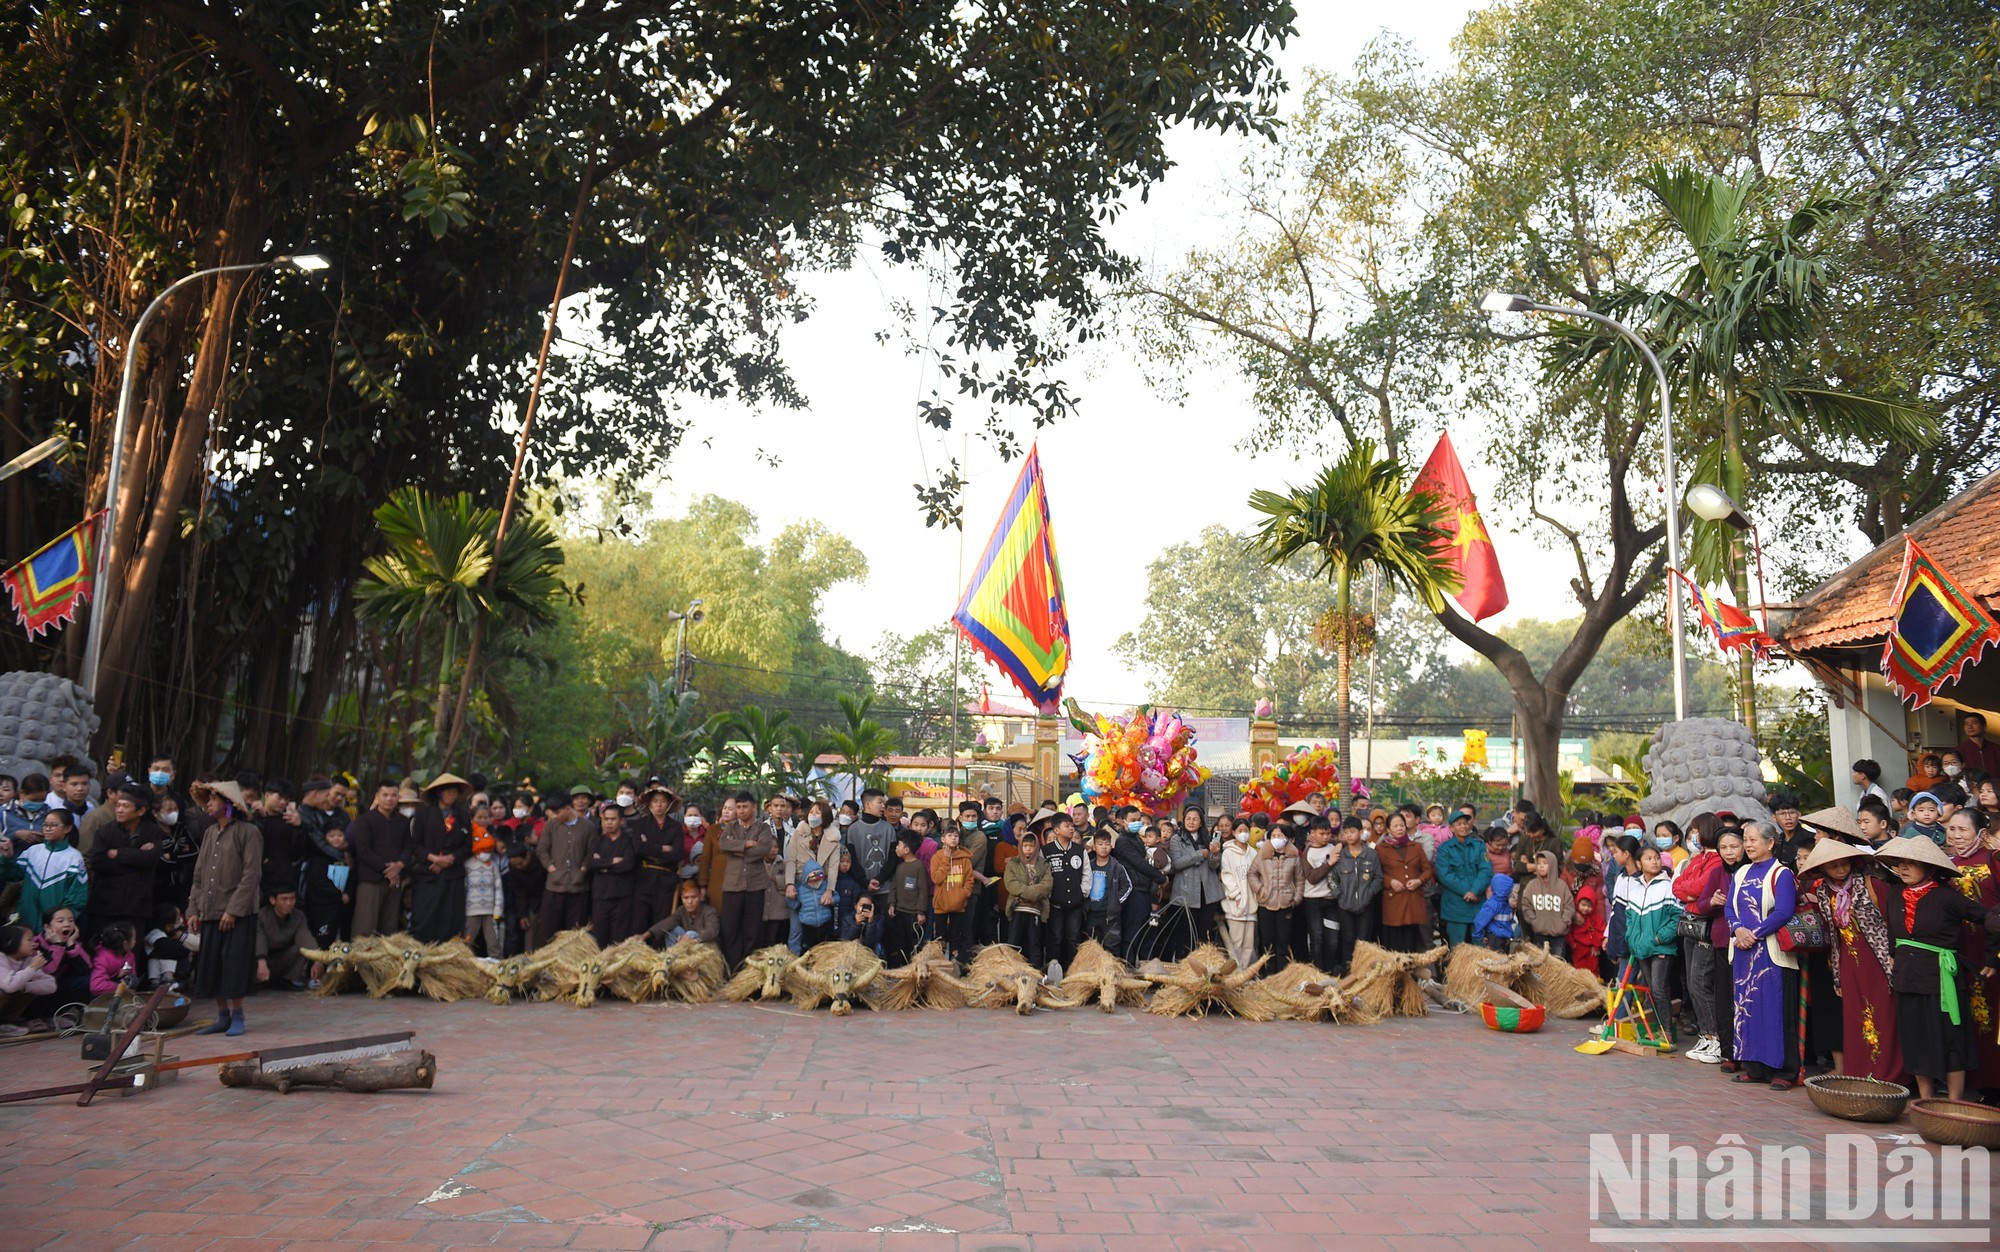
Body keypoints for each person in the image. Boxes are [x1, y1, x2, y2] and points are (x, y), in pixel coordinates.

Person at [1875, 834, 1989, 1101]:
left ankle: (1954, 1102)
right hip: (1908, 978)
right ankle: (1925, 1101)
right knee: (1915, 1039)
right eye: (1900, 863)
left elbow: (1988, 919)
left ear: (1929, 868)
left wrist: (1993, 960)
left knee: (1951, 1039)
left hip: (1941, 980)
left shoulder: (1947, 897)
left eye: (1911, 863)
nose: (1903, 868)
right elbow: (1892, 930)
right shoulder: (1894, 893)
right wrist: (1893, 954)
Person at [1797, 839, 1901, 1082]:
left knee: (1884, 1014)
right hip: (1846, 959)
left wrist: (1894, 956)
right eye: (1834, 866)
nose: (1841, 870)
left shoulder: (1872, 885)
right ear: (1823, 868)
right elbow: (1832, 932)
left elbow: (1893, 921)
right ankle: (1859, 1072)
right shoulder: (1823, 891)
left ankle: (1889, 1074)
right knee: (1855, 1016)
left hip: (1877, 959)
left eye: (1845, 864)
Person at [1725, 821, 1801, 1087]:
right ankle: (1754, 1068)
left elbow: (1783, 911)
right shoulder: (1741, 872)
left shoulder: (1781, 874)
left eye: (1753, 840)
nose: (1747, 845)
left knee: (1777, 1011)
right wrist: (1737, 930)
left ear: (1770, 843)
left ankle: (1785, 1071)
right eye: (1746, 840)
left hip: (1771, 953)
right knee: (1748, 1009)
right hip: (1744, 954)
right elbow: (1730, 909)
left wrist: (1753, 934)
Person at [187, 780, 264, 1039]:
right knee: (212, 965)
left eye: (213, 799)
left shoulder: (248, 832)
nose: (208, 803)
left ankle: (238, 1014)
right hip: (210, 909)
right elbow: (198, 875)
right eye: (207, 799)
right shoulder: (210, 833)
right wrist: (193, 909)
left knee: (234, 964)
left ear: (229, 803)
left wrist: (233, 910)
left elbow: (251, 875)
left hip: (237, 912)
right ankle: (222, 1016)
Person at [1616, 845, 1682, 1043]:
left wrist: (1660, 938)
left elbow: (1677, 917)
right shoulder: (1634, 887)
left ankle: (1667, 1033)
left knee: (1659, 988)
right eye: (1648, 858)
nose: (1654, 862)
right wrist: (1632, 938)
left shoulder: (1668, 886)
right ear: (1639, 863)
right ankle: (1658, 1028)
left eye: (1656, 858)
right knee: (1651, 990)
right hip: (1641, 948)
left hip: (1661, 947)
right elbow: (1629, 916)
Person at [87, 781, 162, 940]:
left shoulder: (152, 831)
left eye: (125, 806)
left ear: (141, 810)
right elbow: (99, 862)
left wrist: (119, 854)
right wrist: (136, 857)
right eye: (118, 806)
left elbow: (151, 860)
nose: (119, 810)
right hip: (105, 903)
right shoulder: (105, 832)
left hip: (136, 905)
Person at [409, 773, 473, 943]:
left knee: (450, 918)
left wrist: (450, 859)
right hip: (427, 872)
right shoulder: (424, 813)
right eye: (449, 791)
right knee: (424, 917)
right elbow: (415, 844)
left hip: (453, 873)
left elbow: (467, 847)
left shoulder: (463, 815)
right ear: (439, 793)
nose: (452, 795)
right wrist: (434, 859)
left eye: (455, 792)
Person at [716, 792, 777, 967]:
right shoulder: (730, 827)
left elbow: (764, 849)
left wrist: (736, 849)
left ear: (754, 807)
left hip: (755, 886)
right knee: (730, 929)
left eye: (745, 807)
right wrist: (746, 844)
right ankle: (733, 967)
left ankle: (750, 968)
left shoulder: (763, 828)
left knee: (753, 930)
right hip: (733, 885)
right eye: (739, 807)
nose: (741, 811)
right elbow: (723, 845)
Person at [535, 787, 598, 945]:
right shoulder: (551, 825)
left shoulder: (588, 826)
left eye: (558, 812)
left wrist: (584, 868)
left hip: (578, 887)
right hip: (554, 886)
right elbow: (542, 849)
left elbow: (592, 851)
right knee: (548, 930)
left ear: (567, 808)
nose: (555, 816)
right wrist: (550, 866)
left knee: (574, 931)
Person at [347, 780, 410, 938]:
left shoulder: (403, 821)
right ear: (377, 796)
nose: (389, 799)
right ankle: (360, 962)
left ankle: (384, 963)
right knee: (365, 927)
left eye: (393, 795)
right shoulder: (365, 820)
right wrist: (389, 869)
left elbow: (408, 848)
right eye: (385, 795)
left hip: (394, 882)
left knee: (389, 929)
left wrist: (399, 866)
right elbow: (363, 851)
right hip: (371, 880)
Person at [628, 780, 684, 935]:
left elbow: (677, 854)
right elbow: (638, 849)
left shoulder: (676, 827)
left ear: (669, 804)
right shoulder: (640, 824)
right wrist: (662, 848)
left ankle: (658, 955)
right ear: (649, 804)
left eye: (663, 801)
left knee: (662, 923)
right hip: (643, 879)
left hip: (666, 880)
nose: (659, 805)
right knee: (639, 921)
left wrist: (650, 847)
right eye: (655, 801)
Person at [19, 807, 88, 932]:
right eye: (45, 825)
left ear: (67, 828)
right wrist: (6, 858)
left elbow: (77, 897)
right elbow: (13, 873)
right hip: (26, 924)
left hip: (53, 929)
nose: (47, 828)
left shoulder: (74, 857)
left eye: (53, 825)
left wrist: (62, 923)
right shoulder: (33, 851)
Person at [1327, 817, 1382, 975]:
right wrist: (1339, 895)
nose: (1349, 835)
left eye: (1353, 832)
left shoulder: (1371, 855)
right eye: (1346, 832)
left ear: (1360, 832)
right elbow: (1331, 878)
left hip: (1366, 906)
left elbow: (1378, 878)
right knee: (1347, 941)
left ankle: (1364, 973)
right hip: (1345, 906)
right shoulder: (1340, 855)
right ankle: (1348, 973)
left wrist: (1369, 894)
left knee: (1364, 942)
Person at [787, 799, 842, 953]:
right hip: (799, 886)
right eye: (811, 812)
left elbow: (832, 867)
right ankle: (794, 963)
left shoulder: (833, 838)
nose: (813, 815)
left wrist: (829, 890)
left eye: (817, 812)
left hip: (821, 887)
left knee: (820, 930)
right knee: (796, 929)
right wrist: (790, 884)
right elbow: (791, 859)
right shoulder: (799, 833)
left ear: (825, 816)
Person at [1375, 811, 1434, 953]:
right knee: (1394, 942)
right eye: (1395, 826)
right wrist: (1390, 882)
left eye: (1402, 825)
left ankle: (1412, 973)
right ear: (1388, 829)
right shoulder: (1381, 849)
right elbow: (1376, 873)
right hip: (1393, 901)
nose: (1400, 828)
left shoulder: (1416, 847)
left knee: (1412, 940)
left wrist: (1419, 881)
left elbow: (1427, 870)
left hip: (1413, 900)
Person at [1434, 809, 1492, 948]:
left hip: (1477, 905)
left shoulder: (1479, 846)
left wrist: (1475, 891)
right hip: (1455, 907)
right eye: (1459, 824)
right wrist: (1467, 891)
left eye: (1466, 823)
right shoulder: (1444, 849)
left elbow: (1486, 870)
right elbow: (1445, 875)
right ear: (1451, 828)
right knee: (1458, 948)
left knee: (1480, 949)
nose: (1464, 827)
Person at [1247, 820, 1303, 960]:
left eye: (1280, 835)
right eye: (1274, 836)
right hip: (1266, 903)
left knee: (1283, 941)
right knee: (1267, 942)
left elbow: (1300, 879)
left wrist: (1296, 898)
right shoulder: (1262, 855)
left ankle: (1282, 974)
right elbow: (1252, 874)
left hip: (1286, 903)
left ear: (1287, 838)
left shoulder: (1293, 856)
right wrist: (1260, 890)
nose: (1277, 838)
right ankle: (1269, 972)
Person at [1041, 814, 1089, 972]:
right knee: (1055, 938)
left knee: (1074, 938)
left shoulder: (1079, 850)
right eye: (1066, 825)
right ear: (1056, 830)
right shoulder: (1046, 851)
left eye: (1071, 825)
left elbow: (1087, 874)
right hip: (1055, 904)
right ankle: (1052, 971)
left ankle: (1072, 972)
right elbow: (1041, 876)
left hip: (1075, 903)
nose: (1071, 828)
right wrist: (1047, 896)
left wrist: (1082, 892)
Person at [586, 802, 638, 944]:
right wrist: (612, 861)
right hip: (600, 895)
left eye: (613, 819)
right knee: (599, 936)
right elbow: (590, 863)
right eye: (606, 819)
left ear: (621, 821)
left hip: (622, 895)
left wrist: (602, 865)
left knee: (619, 938)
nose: (609, 822)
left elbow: (628, 864)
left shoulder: (628, 841)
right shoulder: (598, 841)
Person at [928, 819, 976, 964]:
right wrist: (946, 860)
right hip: (941, 905)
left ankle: (954, 966)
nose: (953, 838)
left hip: (958, 904)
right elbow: (936, 878)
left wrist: (963, 894)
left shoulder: (965, 858)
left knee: (956, 936)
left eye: (956, 836)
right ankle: (939, 966)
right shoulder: (937, 857)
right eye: (950, 835)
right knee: (940, 937)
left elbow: (969, 880)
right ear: (943, 838)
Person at [1002, 828, 1052, 967]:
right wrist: (1030, 892)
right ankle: (1012, 970)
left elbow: (1046, 885)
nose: (1028, 849)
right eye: (1025, 846)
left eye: (1031, 846)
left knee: (1034, 942)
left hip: (1036, 909)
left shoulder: (1043, 864)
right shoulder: (1013, 863)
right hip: (1017, 908)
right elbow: (1011, 883)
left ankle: (1035, 972)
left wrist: (1029, 893)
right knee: (1014, 942)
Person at [1513, 850, 1574, 959]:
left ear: (1553, 865)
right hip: (1539, 933)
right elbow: (1526, 905)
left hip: (1558, 935)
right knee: (1539, 963)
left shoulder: (1562, 886)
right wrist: (1533, 920)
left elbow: (1569, 906)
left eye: (1545, 863)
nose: (1541, 866)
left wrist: (1564, 922)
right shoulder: (1532, 886)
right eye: (1539, 863)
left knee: (1558, 962)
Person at [882, 830, 930, 965]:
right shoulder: (900, 867)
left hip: (913, 914)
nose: (896, 848)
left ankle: (915, 968)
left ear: (907, 849)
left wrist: (921, 912)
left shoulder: (918, 866)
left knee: (914, 943)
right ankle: (902, 968)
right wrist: (891, 903)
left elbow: (923, 891)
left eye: (899, 845)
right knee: (900, 942)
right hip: (900, 911)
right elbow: (894, 886)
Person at [1083, 828, 1133, 955]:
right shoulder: (1089, 866)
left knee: (1112, 945)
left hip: (1110, 915)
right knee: (1093, 946)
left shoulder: (1117, 867)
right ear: (1094, 847)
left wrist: (1116, 902)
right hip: (1091, 912)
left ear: (1112, 846)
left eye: (1107, 844)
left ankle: (1112, 972)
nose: (1104, 847)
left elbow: (1127, 886)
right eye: (1100, 844)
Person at [0, 923, 55, 1035]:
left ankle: (4, 1024)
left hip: (13, 989)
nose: (34, 944)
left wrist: (24, 986)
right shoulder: (1, 957)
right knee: (2, 992)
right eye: (29, 940)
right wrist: (32, 968)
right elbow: (8, 986)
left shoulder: (27, 960)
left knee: (27, 988)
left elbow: (51, 985)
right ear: (11, 941)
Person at [1217, 819, 1258, 966]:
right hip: (1235, 903)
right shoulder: (1228, 852)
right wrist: (1236, 895)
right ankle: (1235, 970)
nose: (1243, 834)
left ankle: (1245, 971)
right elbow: (1226, 875)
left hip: (1251, 904)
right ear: (1234, 833)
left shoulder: (1253, 853)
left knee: (1248, 943)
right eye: (1240, 831)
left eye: (1246, 831)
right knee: (1236, 941)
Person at [254, 888, 312, 988]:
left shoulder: (298, 917)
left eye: (292, 899)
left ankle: (289, 979)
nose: (289, 903)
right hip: (261, 960)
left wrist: (317, 960)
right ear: (273, 900)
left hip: (282, 958)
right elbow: (259, 939)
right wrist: (261, 961)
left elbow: (305, 937)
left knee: (302, 949)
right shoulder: (261, 916)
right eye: (284, 899)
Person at [464, 832, 505, 956]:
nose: (485, 853)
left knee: (493, 942)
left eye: (488, 850)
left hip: (490, 912)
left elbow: (498, 888)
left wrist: (498, 909)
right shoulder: (467, 865)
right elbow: (463, 888)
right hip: (471, 911)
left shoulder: (493, 866)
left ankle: (497, 964)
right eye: (483, 849)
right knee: (467, 941)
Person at [648, 880, 721, 947]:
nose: (690, 902)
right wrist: (646, 934)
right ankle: (672, 956)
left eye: (693, 897)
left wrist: (693, 940)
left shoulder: (709, 911)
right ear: (682, 898)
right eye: (686, 898)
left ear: (700, 896)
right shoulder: (681, 910)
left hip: (703, 945)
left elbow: (713, 930)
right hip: (685, 946)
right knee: (671, 930)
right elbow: (668, 922)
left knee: (691, 933)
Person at [1568, 860, 1607, 977]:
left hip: (1591, 949)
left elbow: (1601, 931)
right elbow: (1569, 931)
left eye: (1589, 906)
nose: (1586, 909)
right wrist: (1572, 944)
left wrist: (1596, 945)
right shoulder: (1575, 919)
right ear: (1578, 904)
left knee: (1593, 970)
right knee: (1578, 970)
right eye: (1583, 905)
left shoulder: (1595, 918)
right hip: (1578, 948)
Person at [89, 921, 140, 997]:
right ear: (125, 944)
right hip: (103, 997)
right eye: (134, 939)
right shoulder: (103, 957)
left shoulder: (129, 955)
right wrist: (120, 987)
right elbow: (96, 986)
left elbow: (132, 976)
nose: (135, 941)